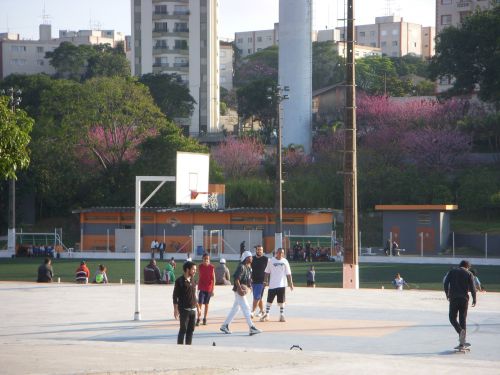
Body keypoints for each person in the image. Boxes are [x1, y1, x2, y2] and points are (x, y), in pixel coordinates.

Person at [220, 251, 262, 336]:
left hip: (241, 290)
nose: (252, 258)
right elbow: (236, 279)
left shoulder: (249, 267)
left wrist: (249, 286)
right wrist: (240, 289)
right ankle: (251, 327)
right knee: (246, 307)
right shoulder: (241, 267)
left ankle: (225, 325)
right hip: (238, 290)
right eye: (250, 257)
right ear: (247, 258)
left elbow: (248, 279)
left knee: (236, 308)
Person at [443, 260, 477, 348]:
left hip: (454, 298)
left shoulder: (452, 271)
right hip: (464, 300)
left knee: (452, 318)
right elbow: (473, 288)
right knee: (463, 319)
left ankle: (460, 331)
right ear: (467, 267)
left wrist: (447, 294)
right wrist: (474, 299)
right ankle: (462, 342)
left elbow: (446, 283)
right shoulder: (469, 274)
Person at [260, 248, 294, 323]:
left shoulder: (285, 261)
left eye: (282, 253)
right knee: (269, 300)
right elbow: (267, 272)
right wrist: (265, 281)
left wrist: (290, 283)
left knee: (282, 301)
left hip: (282, 285)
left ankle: (281, 315)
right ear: (276, 253)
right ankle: (267, 314)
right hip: (272, 285)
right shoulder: (271, 261)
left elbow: (288, 273)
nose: (280, 254)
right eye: (279, 252)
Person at [173, 261, 199, 345]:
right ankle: (180, 348)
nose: (195, 271)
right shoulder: (179, 281)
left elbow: (194, 295)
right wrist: (175, 310)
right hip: (184, 310)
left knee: (191, 330)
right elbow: (175, 296)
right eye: (193, 269)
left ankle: (188, 347)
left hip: (193, 310)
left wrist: (198, 308)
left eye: (195, 269)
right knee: (183, 329)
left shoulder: (193, 280)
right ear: (187, 269)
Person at [196, 253, 215, 326]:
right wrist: (197, 286)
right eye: (205, 259)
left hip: (209, 288)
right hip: (201, 287)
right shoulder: (200, 266)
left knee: (206, 304)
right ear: (202, 259)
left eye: (207, 259)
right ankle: (198, 318)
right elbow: (199, 276)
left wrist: (213, 289)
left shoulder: (211, 267)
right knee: (200, 303)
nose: (206, 260)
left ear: (209, 260)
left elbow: (214, 279)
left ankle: (205, 318)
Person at [251, 245, 269, 318]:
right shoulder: (252, 258)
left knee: (257, 297)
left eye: (261, 250)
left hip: (262, 281)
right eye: (258, 250)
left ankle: (252, 312)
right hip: (253, 281)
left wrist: (267, 280)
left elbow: (269, 270)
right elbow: (249, 269)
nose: (259, 251)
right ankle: (262, 311)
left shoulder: (266, 259)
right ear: (256, 250)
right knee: (259, 297)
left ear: (262, 250)